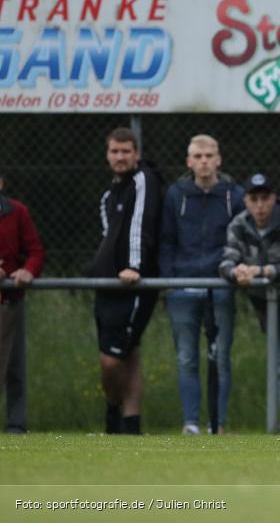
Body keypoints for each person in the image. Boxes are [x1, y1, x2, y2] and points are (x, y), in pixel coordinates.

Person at [159, 134, 245, 435]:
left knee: (220, 357)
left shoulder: (234, 195)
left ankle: (218, 424)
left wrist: (232, 274)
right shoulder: (175, 195)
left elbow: (241, 239)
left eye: (209, 155)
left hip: (220, 286)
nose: (204, 161)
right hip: (182, 287)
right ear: (189, 161)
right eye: (198, 156)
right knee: (186, 357)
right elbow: (166, 240)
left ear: (219, 159)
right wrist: (170, 280)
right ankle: (191, 423)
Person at [219, 173, 280, 435]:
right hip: (268, 306)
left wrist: (259, 272)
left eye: (265, 198)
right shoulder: (238, 225)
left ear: (273, 198)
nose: (260, 205)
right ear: (246, 201)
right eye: (254, 199)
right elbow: (226, 260)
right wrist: (236, 272)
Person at [89, 127, 164, 435]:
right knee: (128, 353)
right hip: (107, 285)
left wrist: (134, 266)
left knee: (112, 360)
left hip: (132, 284)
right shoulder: (109, 194)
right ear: (107, 155)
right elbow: (109, 236)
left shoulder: (142, 180)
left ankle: (113, 413)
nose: (120, 157)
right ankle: (129, 424)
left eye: (126, 151)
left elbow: (139, 225)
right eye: (114, 152)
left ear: (136, 154)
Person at [0, 173, 44, 434]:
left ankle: (16, 424)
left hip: (9, 301)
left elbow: (36, 251)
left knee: (13, 365)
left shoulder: (16, 212)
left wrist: (27, 271)